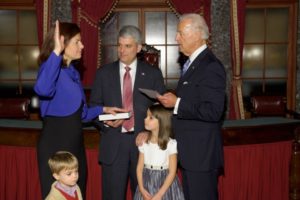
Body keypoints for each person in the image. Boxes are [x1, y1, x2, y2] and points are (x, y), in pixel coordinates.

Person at [34, 20, 126, 199]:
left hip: (76, 145)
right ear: (63, 42)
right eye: (77, 41)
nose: (82, 45)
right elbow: (43, 89)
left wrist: (104, 109)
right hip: (55, 146)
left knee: (78, 192)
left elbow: (81, 115)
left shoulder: (72, 72)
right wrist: (56, 52)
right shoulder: (49, 67)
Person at [89, 25, 166, 200]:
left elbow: (161, 110)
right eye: (119, 45)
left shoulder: (153, 74)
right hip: (113, 144)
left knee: (146, 196)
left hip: (144, 145)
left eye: (128, 46)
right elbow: (94, 106)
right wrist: (105, 122)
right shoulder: (103, 74)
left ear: (138, 48)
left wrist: (149, 131)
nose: (121, 51)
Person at [157, 13, 226, 200]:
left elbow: (213, 111)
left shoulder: (210, 66)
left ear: (197, 34)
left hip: (201, 157)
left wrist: (177, 103)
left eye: (180, 33)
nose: (176, 38)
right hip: (192, 155)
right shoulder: (194, 63)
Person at [134, 104, 184, 200]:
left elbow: (172, 171)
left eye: (150, 118)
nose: (145, 119)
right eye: (146, 116)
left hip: (165, 184)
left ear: (161, 121)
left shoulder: (171, 144)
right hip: (147, 182)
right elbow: (139, 168)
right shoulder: (144, 142)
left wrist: (160, 194)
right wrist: (141, 189)